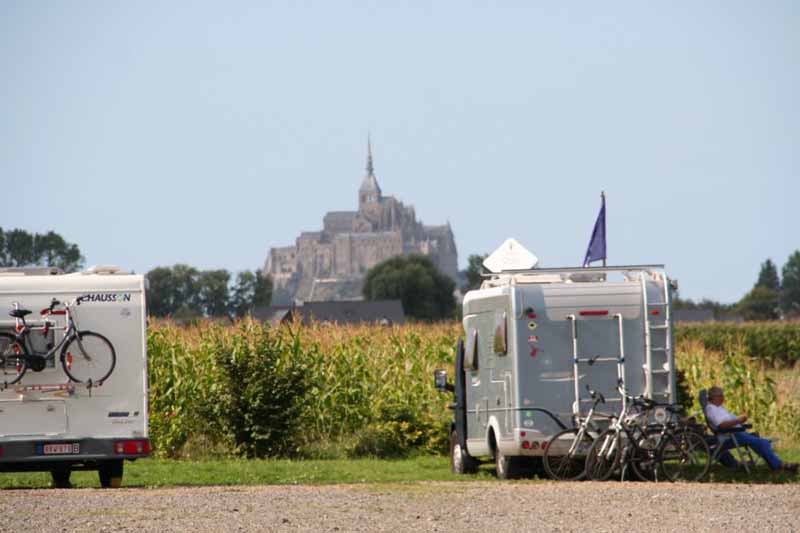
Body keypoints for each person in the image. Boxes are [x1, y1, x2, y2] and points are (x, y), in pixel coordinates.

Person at [705, 386, 797, 473]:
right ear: (714, 397)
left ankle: (777, 464)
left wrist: (741, 423)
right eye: (720, 395)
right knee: (762, 443)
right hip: (730, 436)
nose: (723, 398)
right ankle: (778, 465)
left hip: (735, 433)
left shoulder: (718, 407)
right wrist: (738, 421)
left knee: (760, 442)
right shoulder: (711, 409)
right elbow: (722, 425)